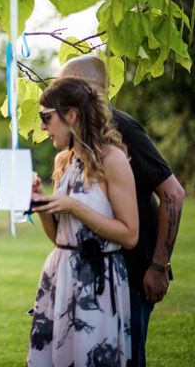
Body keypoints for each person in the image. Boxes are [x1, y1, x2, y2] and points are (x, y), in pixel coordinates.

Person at [60, 55, 185, 366]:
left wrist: (158, 267)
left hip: (132, 272)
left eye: (63, 85)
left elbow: (173, 193)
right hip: (95, 275)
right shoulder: (78, 134)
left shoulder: (120, 128)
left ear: (83, 87)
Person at [27, 77, 138, 367]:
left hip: (98, 281)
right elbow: (60, 238)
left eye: (46, 118)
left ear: (72, 115)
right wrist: (40, 204)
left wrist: (75, 207)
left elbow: (129, 235)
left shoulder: (112, 159)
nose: (42, 127)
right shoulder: (64, 161)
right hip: (61, 275)